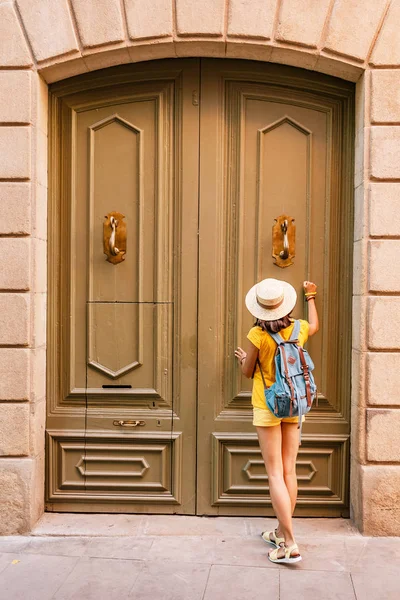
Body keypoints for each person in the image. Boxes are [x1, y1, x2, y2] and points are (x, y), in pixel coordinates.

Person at [234, 278, 319, 564]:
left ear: (260, 309)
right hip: (294, 402)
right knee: (289, 471)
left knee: (274, 474)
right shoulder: (299, 329)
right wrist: (311, 297)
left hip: (267, 405)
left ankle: (290, 543)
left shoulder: (257, 335)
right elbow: (314, 326)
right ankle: (282, 533)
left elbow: (248, 372)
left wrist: (242, 358)